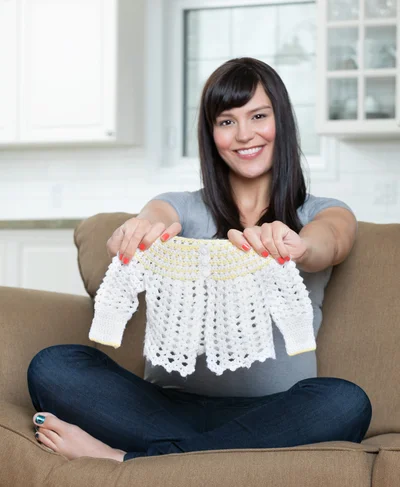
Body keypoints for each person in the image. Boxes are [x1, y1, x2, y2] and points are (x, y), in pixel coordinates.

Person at [27, 57, 372, 462]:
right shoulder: (182, 207)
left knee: (345, 401)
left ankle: (127, 461)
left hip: (273, 414)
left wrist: (296, 246)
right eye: (226, 121)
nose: (245, 135)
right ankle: (205, 457)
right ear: (211, 134)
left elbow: (329, 242)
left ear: (282, 121)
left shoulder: (322, 212)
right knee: (53, 366)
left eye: (258, 116)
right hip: (162, 408)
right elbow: (156, 217)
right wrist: (138, 232)